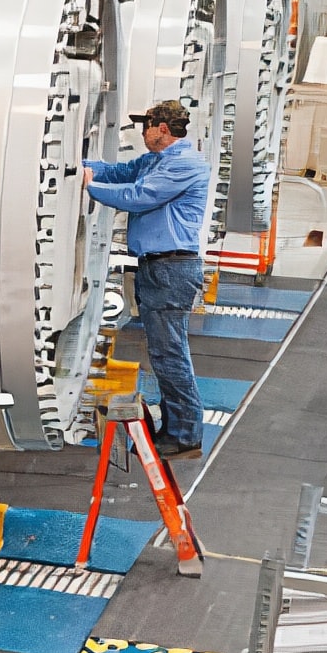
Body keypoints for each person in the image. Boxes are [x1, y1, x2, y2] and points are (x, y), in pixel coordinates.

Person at [86, 100, 216, 456]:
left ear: (161, 128)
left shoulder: (185, 165)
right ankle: (174, 428)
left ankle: (186, 434)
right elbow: (120, 173)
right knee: (163, 354)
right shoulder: (156, 161)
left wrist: (89, 188)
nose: (142, 133)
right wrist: (74, 166)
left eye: (145, 126)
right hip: (157, 267)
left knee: (171, 354)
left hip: (171, 269)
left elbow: (140, 196)